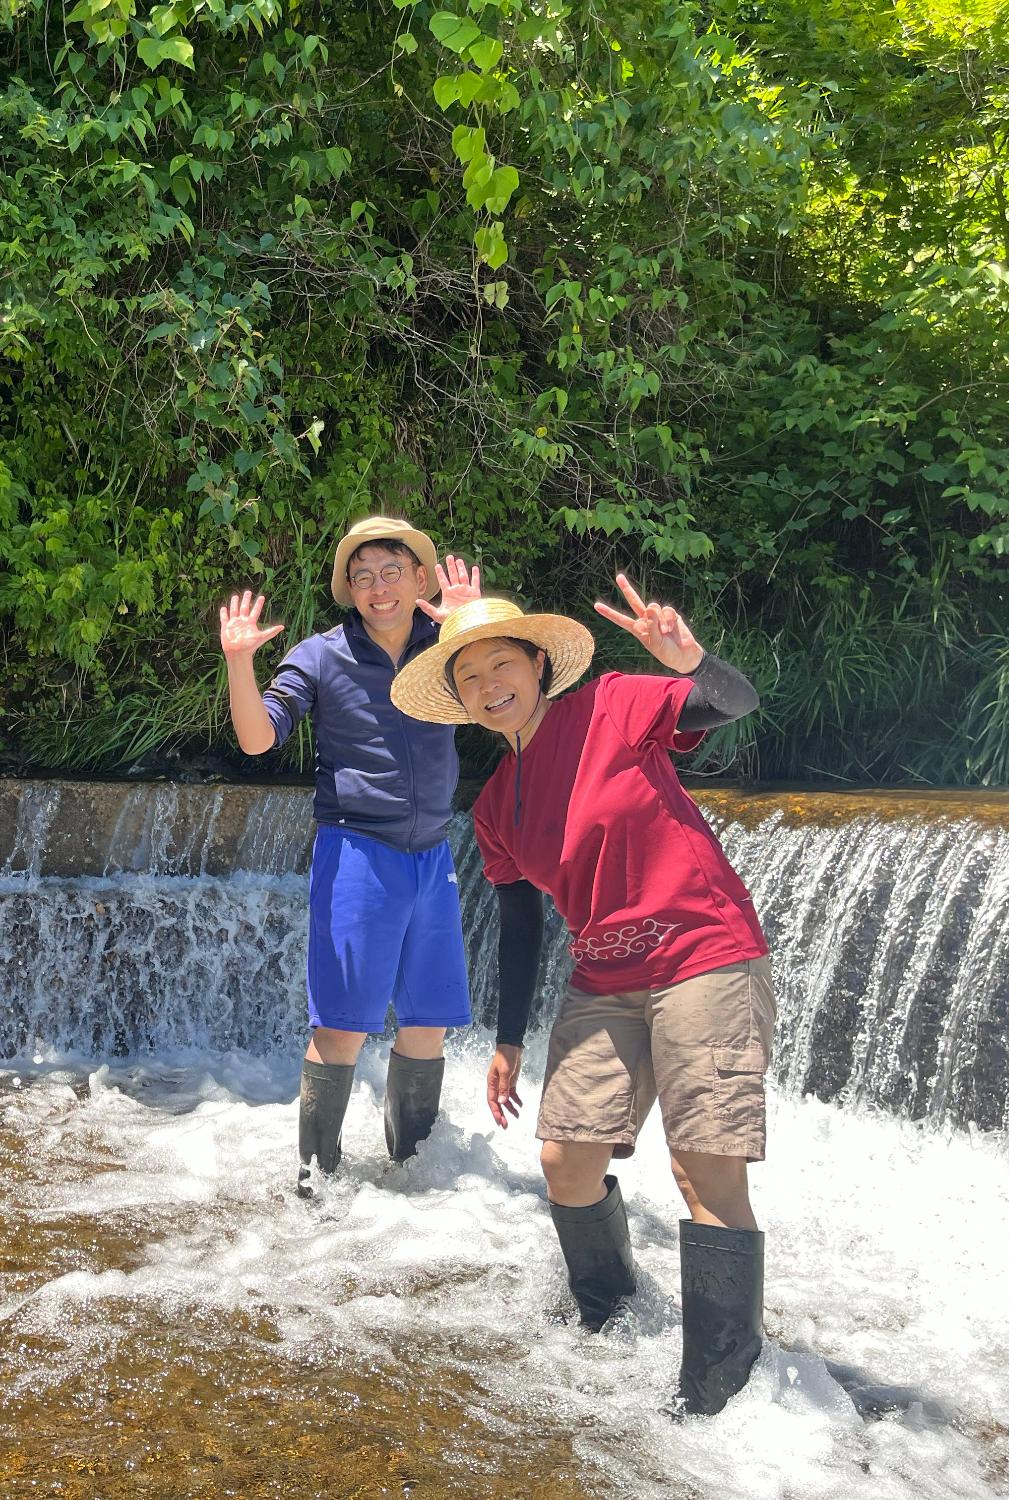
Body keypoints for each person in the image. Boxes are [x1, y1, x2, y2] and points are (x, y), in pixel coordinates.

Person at [390, 577, 771, 1416]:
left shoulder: (613, 705)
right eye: (469, 679)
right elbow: (521, 922)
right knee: (566, 1160)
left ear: (537, 662)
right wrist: (509, 1038)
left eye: (501, 664)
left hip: (702, 954)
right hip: (606, 975)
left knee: (703, 1170)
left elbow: (730, 701)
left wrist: (691, 659)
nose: (490, 686)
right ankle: (611, 1317)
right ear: (458, 700)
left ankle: (714, 1397)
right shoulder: (494, 805)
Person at [219, 516, 483, 1195]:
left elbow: (501, 704)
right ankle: (315, 1183)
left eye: (392, 571)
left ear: (420, 578)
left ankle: (414, 1173)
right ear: (349, 591)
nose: (378, 588)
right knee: (340, 1030)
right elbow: (257, 740)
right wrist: (239, 661)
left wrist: (468, 631)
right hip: (358, 853)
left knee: (427, 1025)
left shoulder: (445, 644)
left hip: (432, 855)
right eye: (362, 577)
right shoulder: (321, 655)